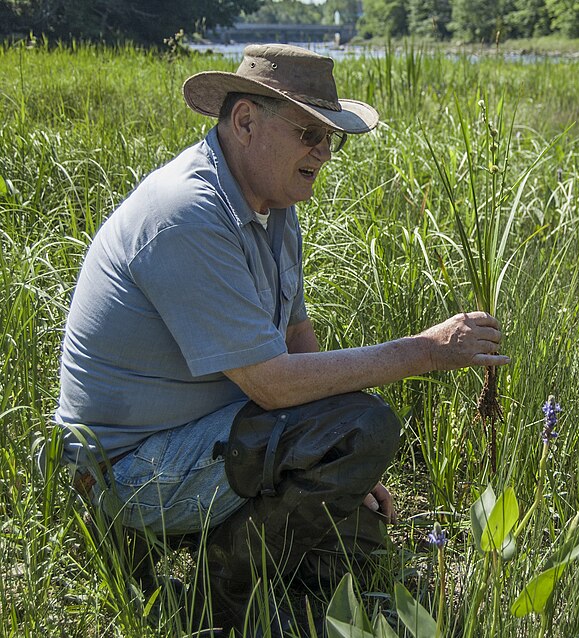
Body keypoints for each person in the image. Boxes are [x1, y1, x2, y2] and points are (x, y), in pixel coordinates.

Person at [56, 43, 509, 636]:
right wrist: (424, 351)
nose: (322, 152)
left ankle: (248, 564)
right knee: (365, 427)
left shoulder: (270, 204)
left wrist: (336, 457)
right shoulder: (187, 214)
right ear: (245, 122)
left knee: (360, 536)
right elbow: (271, 385)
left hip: (205, 442)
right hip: (129, 471)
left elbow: (295, 334)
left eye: (330, 138)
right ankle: (216, 600)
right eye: (308, 133)